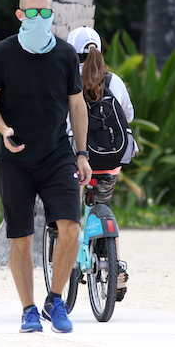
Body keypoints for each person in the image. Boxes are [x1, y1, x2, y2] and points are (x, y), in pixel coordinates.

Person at [0, 0, 92, 334]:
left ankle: (55, 300)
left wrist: (83, 153)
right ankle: (28, 309)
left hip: (57, 155)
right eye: (33, 12)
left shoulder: (64, 55)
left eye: (46, 12)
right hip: (15, 159)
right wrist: (3, 129)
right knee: (22, 237)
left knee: (71, 227)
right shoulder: (2, 54)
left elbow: (77, 105)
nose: (40, 18)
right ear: (20, 15)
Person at [66, 25, 134, 301]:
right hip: (112, 159)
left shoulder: (67, 79)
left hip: (76, 159)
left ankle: (67, 256)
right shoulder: (114, 80)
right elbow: (127, 114)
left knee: (68, 211)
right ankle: (112, 263)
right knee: (102, 205)